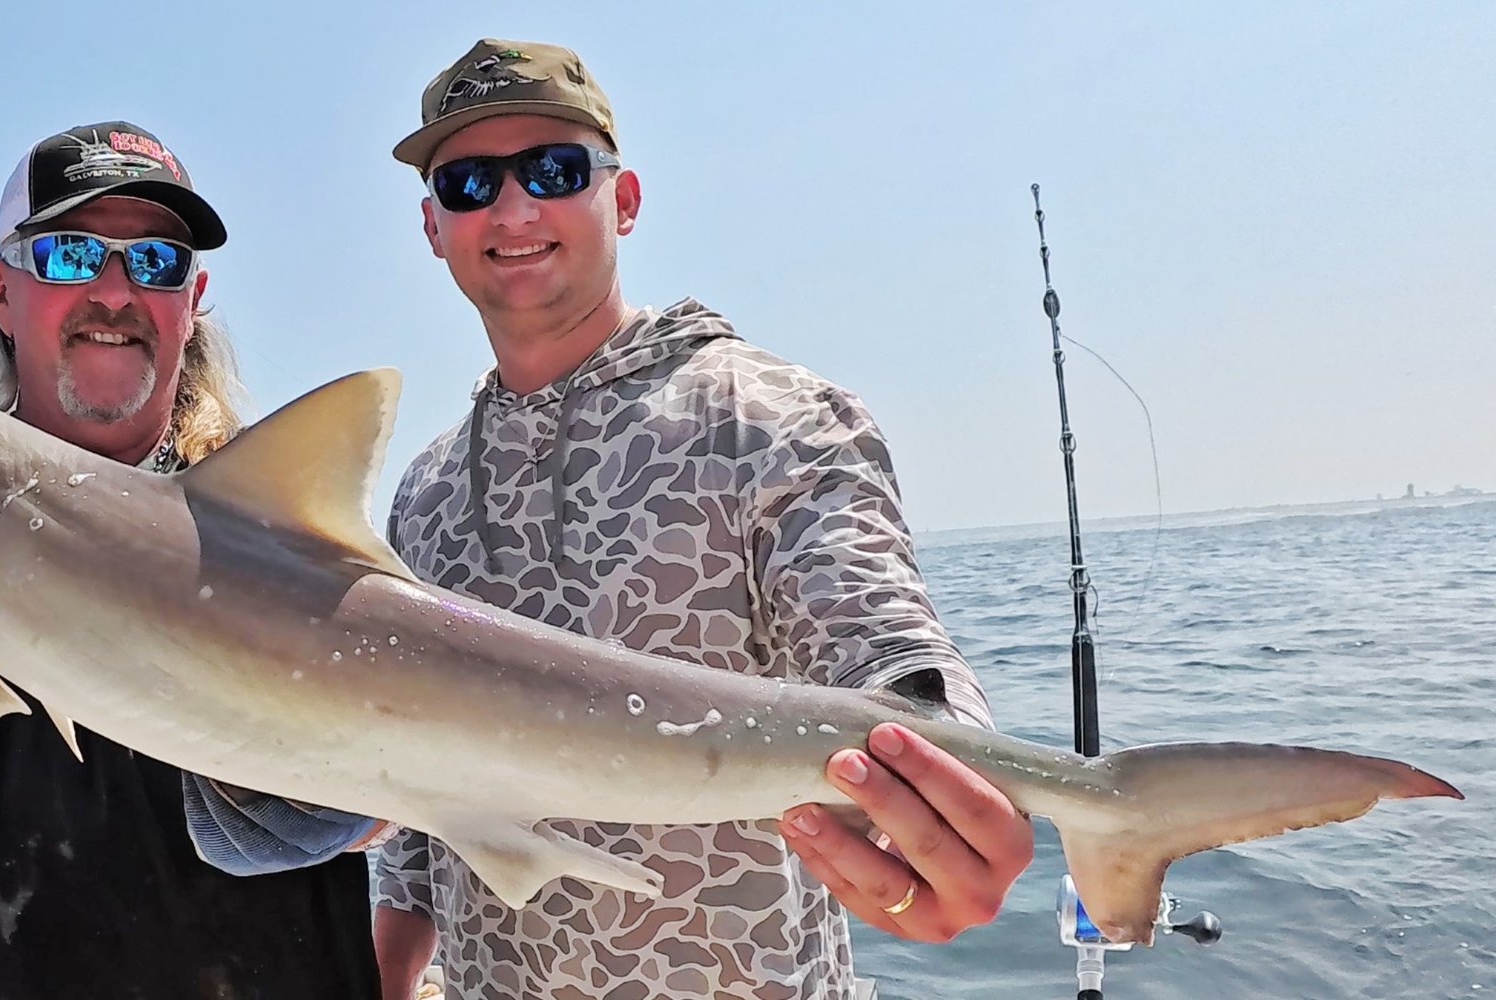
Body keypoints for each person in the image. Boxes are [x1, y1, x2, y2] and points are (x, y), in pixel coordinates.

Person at [370, 40, 1034, 999]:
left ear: (624, 199)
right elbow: (417, 795)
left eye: (552, 172)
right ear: (434, 226)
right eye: (469, 183)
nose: (512, 212)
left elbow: (881, 649)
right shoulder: (424, 492)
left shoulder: (771, 417)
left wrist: (937, 806)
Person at [0, 120, 389, 999]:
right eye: (68, 254)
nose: (115, 291)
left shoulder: (289, 531)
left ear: (192, 296)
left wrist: (357, 797)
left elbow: (409, 782)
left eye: (155, 262)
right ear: (0, 291)